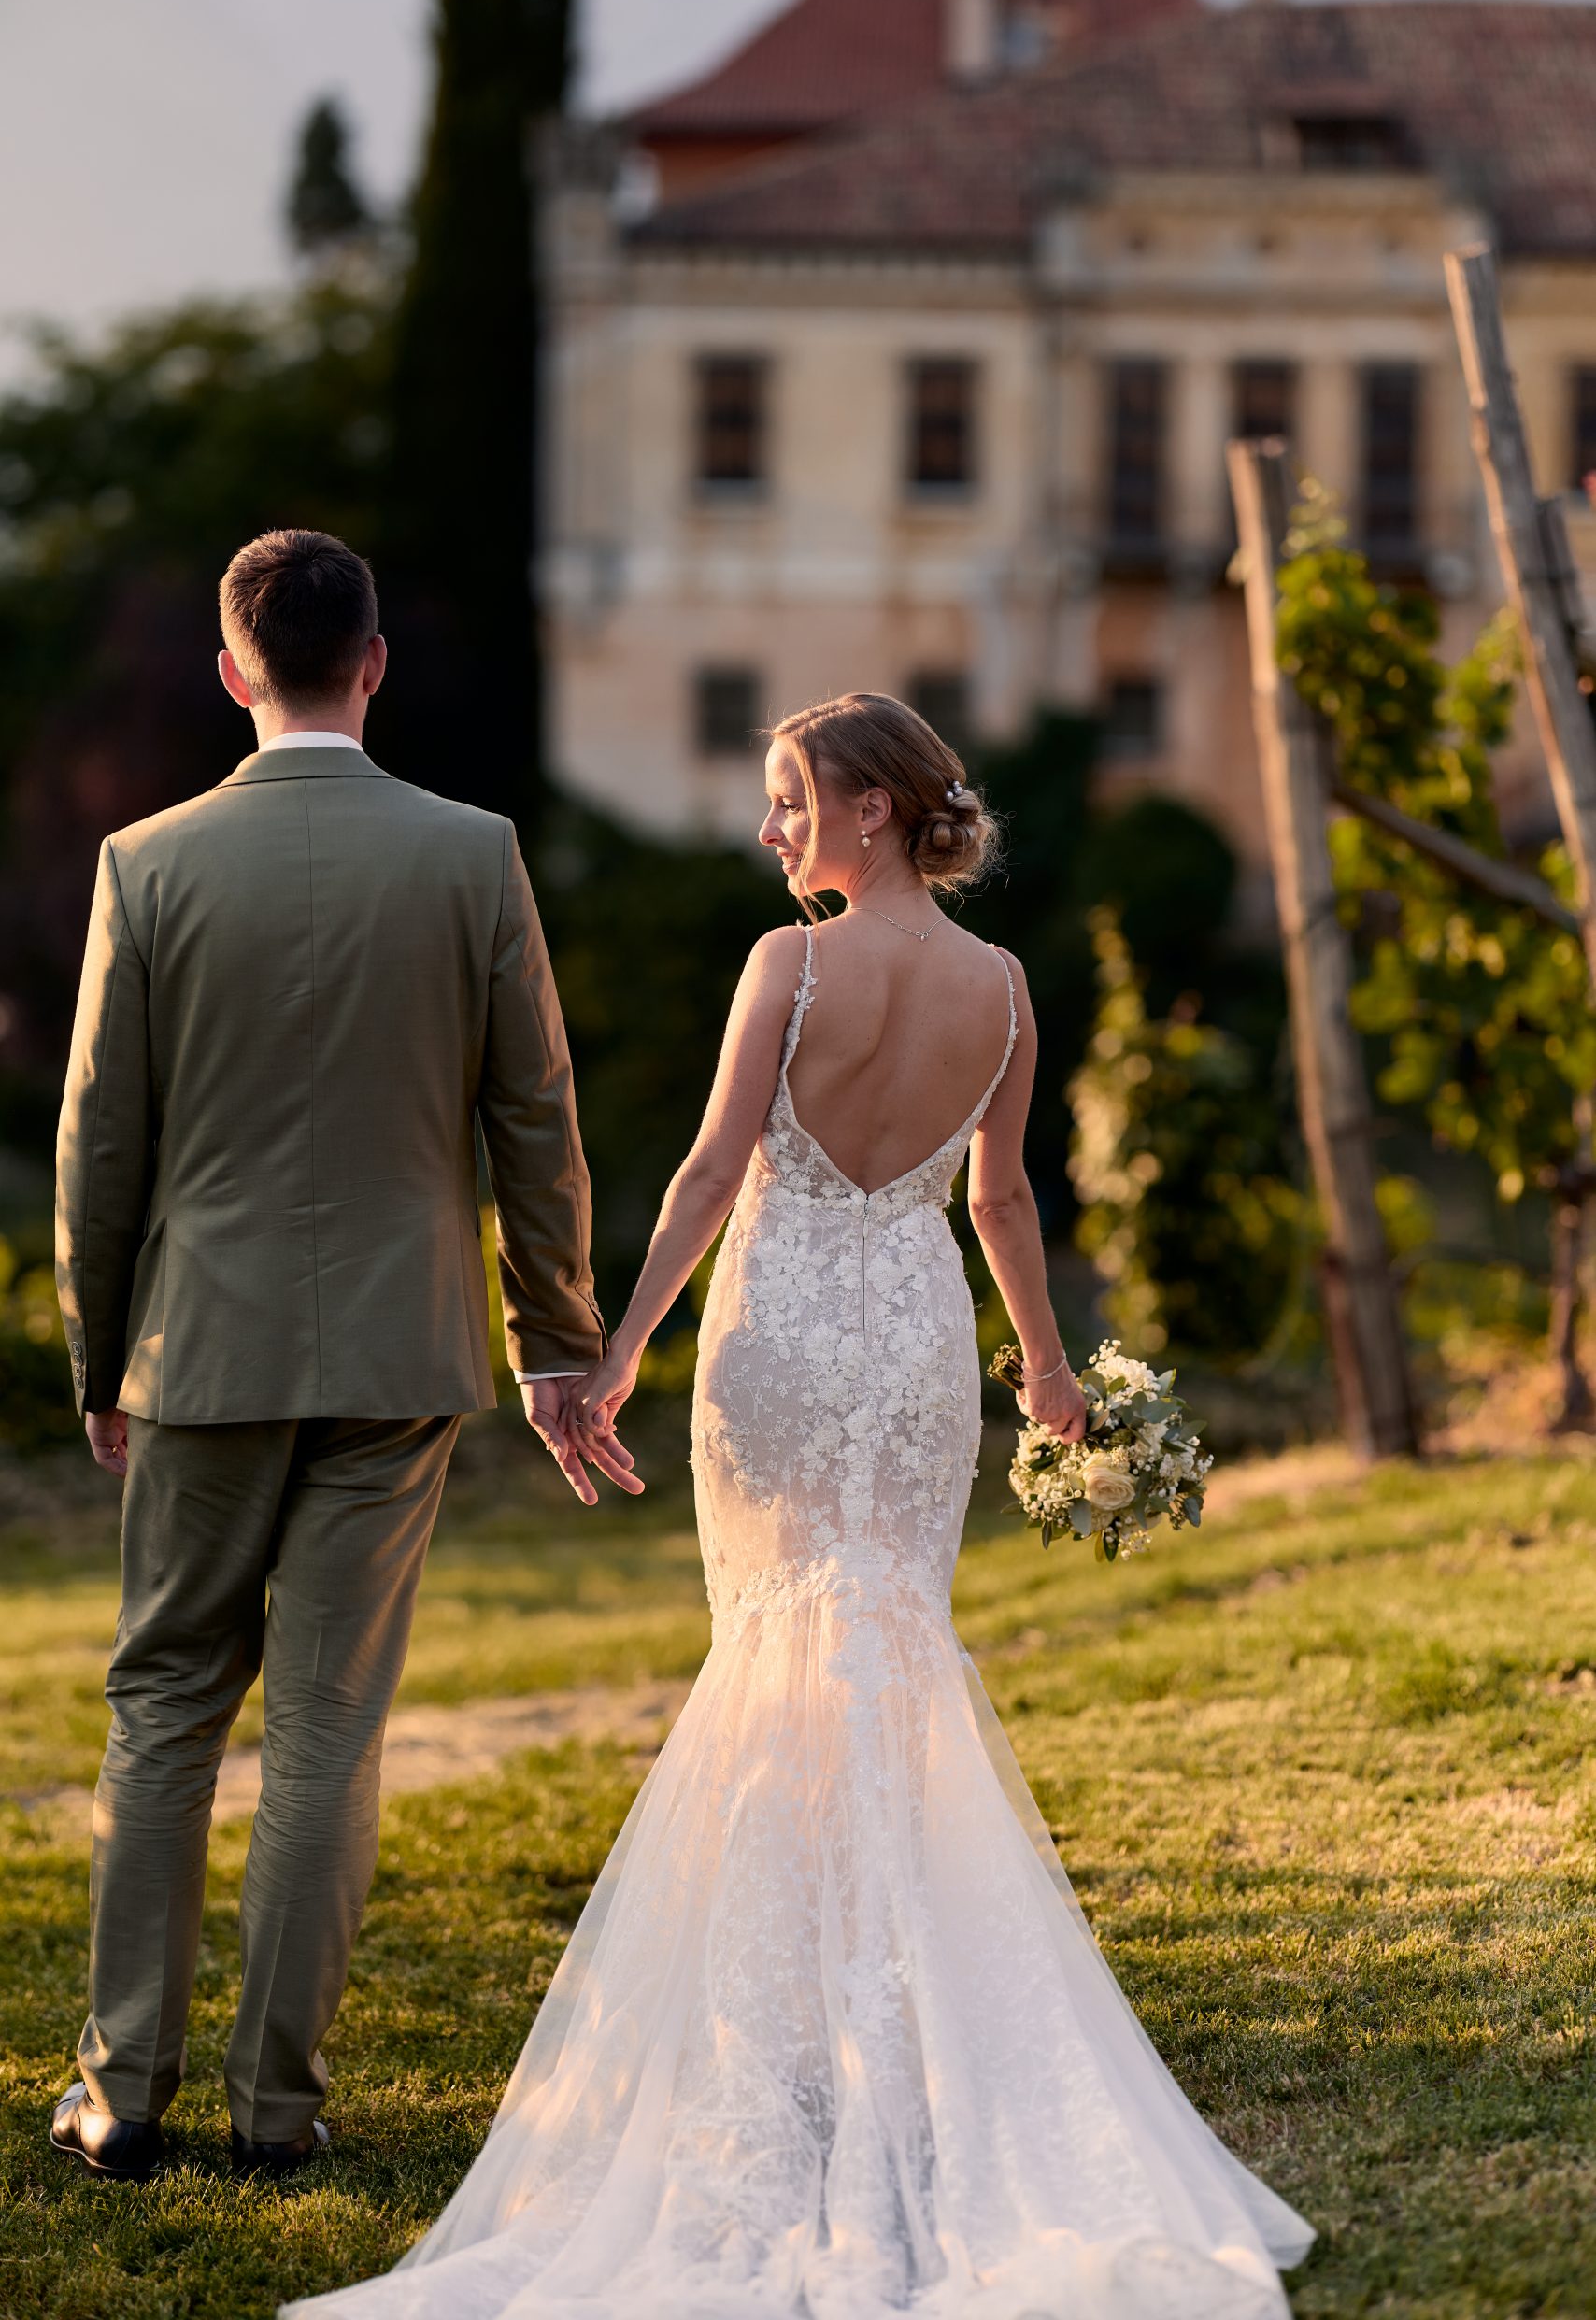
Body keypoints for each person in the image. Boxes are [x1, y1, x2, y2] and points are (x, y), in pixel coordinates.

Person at [292, 693, 1312, 2319]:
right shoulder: (1004, 989)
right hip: (913, 1365)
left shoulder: (792, 969)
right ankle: (894, 2040)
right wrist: (1043, 1374)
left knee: (775, 1670)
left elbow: (708, 1176)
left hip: (773, 1357)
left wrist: (615, 1352)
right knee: (891, 1666)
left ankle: (788, 2062)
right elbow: (998, 1201)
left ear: (877, 811)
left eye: (791, 800)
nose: (773, 829)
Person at [50, 529, 633, 2188]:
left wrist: (101, 1360)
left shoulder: (143, 864)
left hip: (198, 1350)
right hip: (403, 1350)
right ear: (372, 664)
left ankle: (123, 2095)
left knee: (165, 1707)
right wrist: (557, 1343)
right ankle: (276, 2111)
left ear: (233, 672)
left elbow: (101, 1147)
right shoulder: (475, 854)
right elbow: (537, 1119)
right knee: (324, 1729)